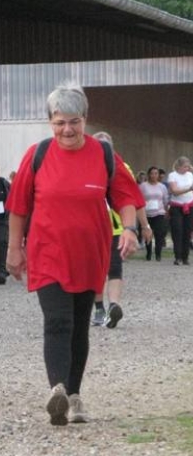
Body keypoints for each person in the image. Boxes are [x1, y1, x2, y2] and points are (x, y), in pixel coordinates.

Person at [6, 82, 144, 426]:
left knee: (80, 325)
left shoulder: (104, 154)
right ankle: (58, 389)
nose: (67, 129)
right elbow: (19, 207)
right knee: (58, 321)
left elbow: (125, 197)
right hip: (47, 252)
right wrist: (13, 249)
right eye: (59, 122)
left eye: (74, 122)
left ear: (85, 119)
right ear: (50, 122)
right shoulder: (37, 155)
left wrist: (129, 228)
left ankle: (75, 395)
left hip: (89, 252)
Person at [90, 131, 151, 329]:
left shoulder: (115, 167)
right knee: (112, 268)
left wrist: (143, 225)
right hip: (110, 226)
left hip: (108, 227)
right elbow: (134, 200)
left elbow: (131, 198)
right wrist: (143, 226)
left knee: (100, 269)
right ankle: (112, 305)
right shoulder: (121, 166)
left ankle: (101, 308)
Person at [139, 166, 169, 262]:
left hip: (159, 212)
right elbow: (139, 198)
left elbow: (165, 200)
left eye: (156, 173)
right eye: (152, 173)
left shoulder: (162, 186)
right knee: (148, 233)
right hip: (146, 213)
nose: (154, 175)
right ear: (149, 174)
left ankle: (158, 254)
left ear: (158, 175)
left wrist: (167, 211)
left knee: (159, 234)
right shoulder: (143, 186)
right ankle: (148, 253)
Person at [167, 156, 193, 265]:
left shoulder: (190, 175)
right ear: (179, 166)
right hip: (177, 206)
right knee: (177, 231)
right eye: (185, 167)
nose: (186, 168)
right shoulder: (172, 175)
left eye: (188, 166)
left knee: (187, 231)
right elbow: (174, 191)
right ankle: (178, 257)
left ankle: (185, 257)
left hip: (189, 205)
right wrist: (189, 189)